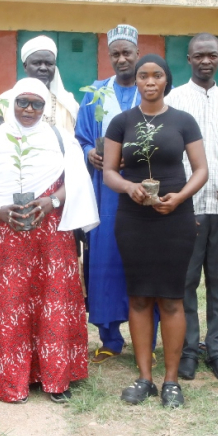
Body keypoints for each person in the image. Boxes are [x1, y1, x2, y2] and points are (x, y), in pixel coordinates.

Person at [0, 78, 99, 403]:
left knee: (54, 298)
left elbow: (78, 181)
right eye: (22, 102)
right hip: (8, 232)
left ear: (45, 106)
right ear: (11, 103)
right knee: (11, 303)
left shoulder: (60, 139)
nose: (29, 109)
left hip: (52, 230)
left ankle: (56, 378)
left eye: (36, 104)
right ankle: (13, 380)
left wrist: (51, 202)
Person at [103, 54, 207, 408]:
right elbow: (110, 172)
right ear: (136, 81)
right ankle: (145, 377)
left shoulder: (183, 121)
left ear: (166, 81)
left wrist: (179, 198)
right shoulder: (121, 122)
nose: (149, 81)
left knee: (172, 298)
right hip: (133, 219)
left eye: (156, 75)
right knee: (139, 297)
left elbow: (201, 170)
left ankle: (172, 381)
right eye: (143, 76)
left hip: (175, 217)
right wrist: (128, 187)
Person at [165, 34, 218, 382]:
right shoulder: (175, 100)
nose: (206, 61)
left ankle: (217, 350)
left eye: (212, 55)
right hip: (188, 206)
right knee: (185, 281)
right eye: (199, 56)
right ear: (189, 58)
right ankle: (188, 350)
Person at [75, 24, 156, 363]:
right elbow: (80, 136)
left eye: (128, 53)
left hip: (142, 190)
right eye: (116, 54)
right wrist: (87, 154)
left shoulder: (151, 92)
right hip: (105, 192)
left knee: (142, 260)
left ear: (138, 54)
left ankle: (146, 341)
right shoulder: (94, 93)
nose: (122, 59)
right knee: (104, 259)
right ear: (109, 57)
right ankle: (110, 337)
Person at [0, 36, 80, 135]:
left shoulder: (67, 103)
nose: (43, 68)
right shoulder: (5, 100)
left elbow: (75, 143)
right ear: (25, 66)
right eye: (37, 63)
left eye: (49, 64)